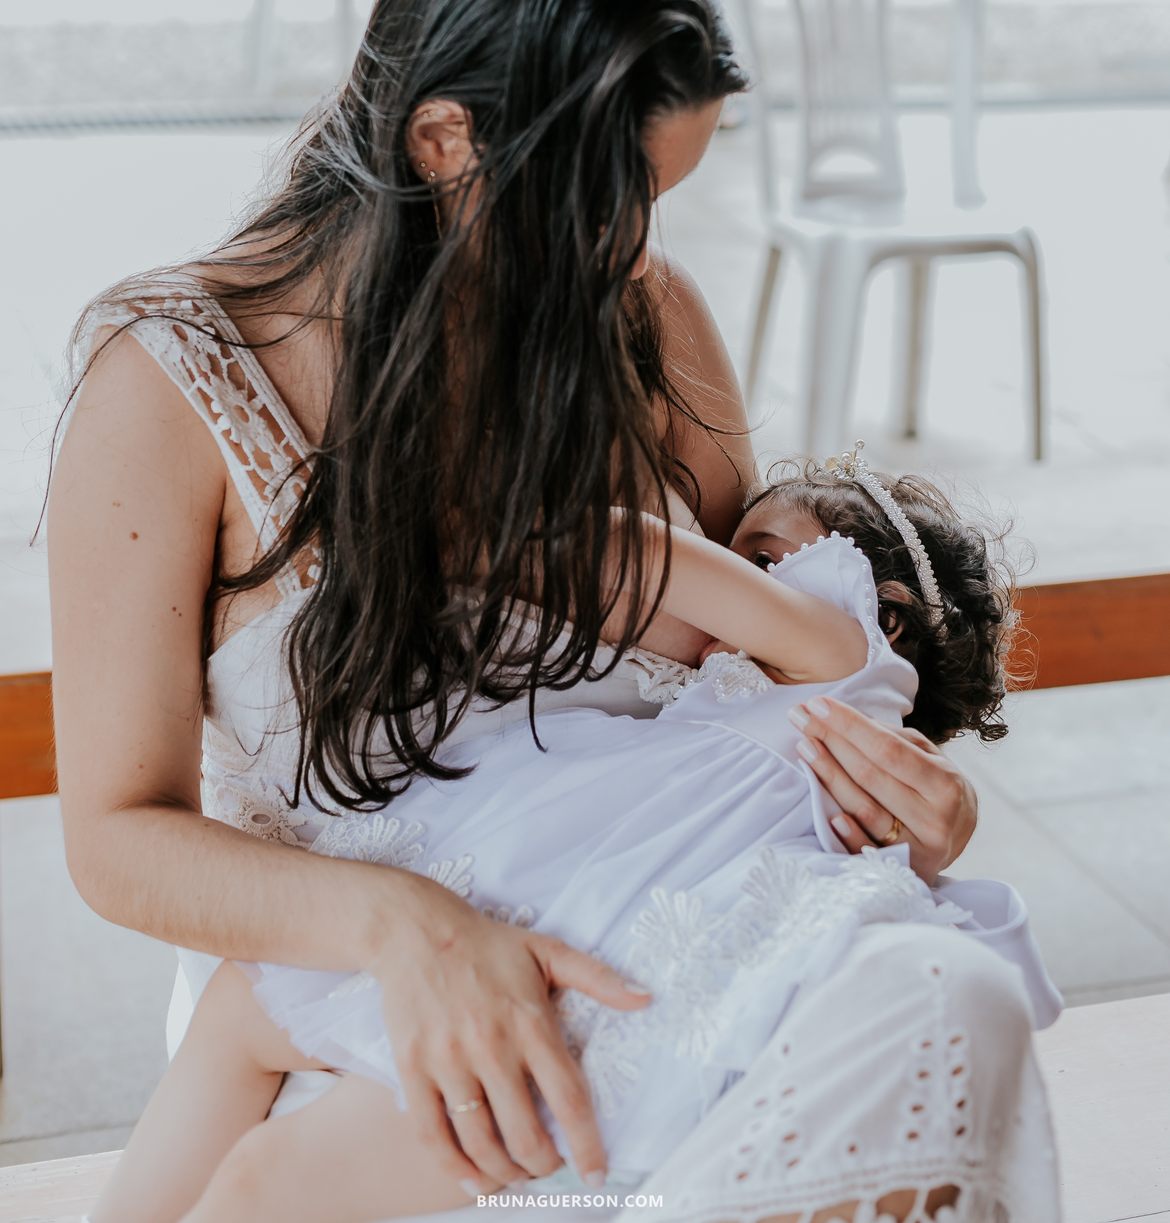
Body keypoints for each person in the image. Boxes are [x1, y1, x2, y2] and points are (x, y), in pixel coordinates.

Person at [50, 0, 1040, 1223]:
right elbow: (116, 837)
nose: (636, 248)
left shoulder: (649, 327)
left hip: (652, 946)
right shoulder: (172, 387)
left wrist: (910, 815)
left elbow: (736, 691)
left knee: (962, 995)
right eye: (612, 193)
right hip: (353, 1000)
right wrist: (408, 928)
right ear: (446, 140)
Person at [87, 450, 1061, 1223]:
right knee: (244, 1011)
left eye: (763, 555)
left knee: (267, 1182)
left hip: (608, 976)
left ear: (877, 603)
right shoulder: (760, 709)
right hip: (553, 905)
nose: (737, 582)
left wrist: (466, 506)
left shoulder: (845, 650)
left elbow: (642, 555)